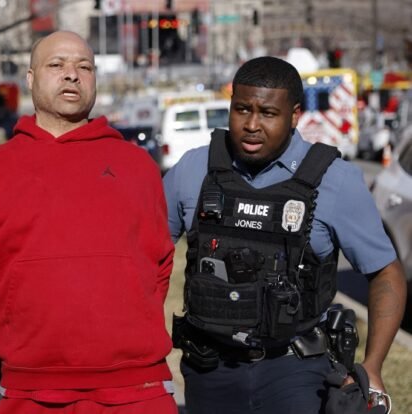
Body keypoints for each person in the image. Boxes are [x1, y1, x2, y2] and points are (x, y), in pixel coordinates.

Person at [0, 31, 177, 414]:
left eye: (83, 66)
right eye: (57, 65)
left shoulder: (136, 167)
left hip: (137, 387)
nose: (71, 74)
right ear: (31, 78)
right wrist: (14, 322)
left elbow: (160, 264)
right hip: (29, 390)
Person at [163, 56, 406, 414]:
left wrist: (373, 366)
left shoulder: (334, 180)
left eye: (268, 113)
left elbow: (387, 273)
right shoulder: (193, 170)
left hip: (297, 372)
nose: (251, 125)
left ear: (294, 116)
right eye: (241, 109)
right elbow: (147, 258)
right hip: (209, 369)